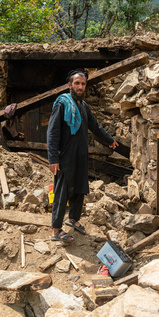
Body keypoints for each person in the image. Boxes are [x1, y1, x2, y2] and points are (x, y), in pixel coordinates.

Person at [47, 69, 118, 242]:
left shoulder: (83, 106)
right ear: (69, 85)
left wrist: (109, 140)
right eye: (77, 83)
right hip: (64, 156)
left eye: (83, 84)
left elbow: (95, 126)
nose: (80, 87)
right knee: (62, 191)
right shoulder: (62, 104)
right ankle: (56, 230)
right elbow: (52, 132)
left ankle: (73, 219)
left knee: (79, 187)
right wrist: (53, 158)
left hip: (80, 154)